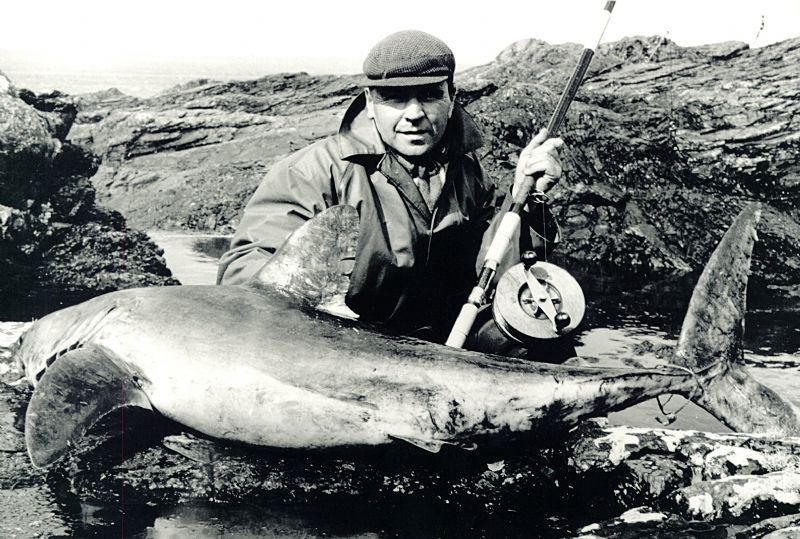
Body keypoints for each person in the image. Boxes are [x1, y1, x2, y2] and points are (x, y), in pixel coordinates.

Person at [217, 30, 564, 344]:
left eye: (429, 95)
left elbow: (491, 278)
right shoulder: (309, 174)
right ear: (369, 102)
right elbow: (245, 285)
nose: (414, 113)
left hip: (437, 351)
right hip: (334, 348)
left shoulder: (470, 175)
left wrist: (525, 201)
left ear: (452, 95)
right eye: (395, 98)